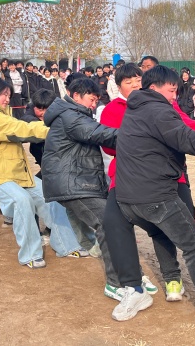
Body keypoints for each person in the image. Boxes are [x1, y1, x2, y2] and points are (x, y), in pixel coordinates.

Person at [109, 65, 195, 326]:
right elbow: (187, 138)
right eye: (171, 91)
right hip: (155, 195)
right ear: (154, 88)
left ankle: (170, 282)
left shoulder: (135, 108)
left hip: (128, 199)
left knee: (163, 234)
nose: (175, 96)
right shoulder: (157, 110)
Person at [0, 76, 82, 267]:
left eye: (8, 95)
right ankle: (30, 254)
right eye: (2, 95)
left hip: (17, 173)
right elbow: (21, 129)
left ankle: (66, 245)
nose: (7, 99)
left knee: (50, 197)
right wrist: (55, 128)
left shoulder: (2, 113)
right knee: (21, 201)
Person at [41, 78, 120, 290]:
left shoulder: (72, 113)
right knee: (108, 223)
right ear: (76, 96)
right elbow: (100, 133)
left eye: (96, 101)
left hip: (77, 180)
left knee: (109, 220)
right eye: (91, 100)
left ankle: (124, 271)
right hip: (73, 183)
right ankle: (117, 283)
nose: (94, 105)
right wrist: (139, 136)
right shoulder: (71, 115)